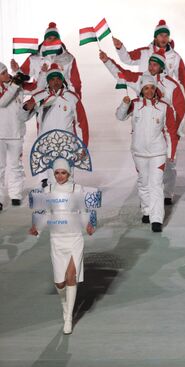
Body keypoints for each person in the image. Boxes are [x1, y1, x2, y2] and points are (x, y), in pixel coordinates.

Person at [28, 130, 100, 335]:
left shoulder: (77, 189)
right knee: (59, 282)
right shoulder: (48, 190)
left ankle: (68, 318)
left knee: (71, 276)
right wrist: (37, 228)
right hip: (57, 238)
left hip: (74, 237)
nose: (60, 176)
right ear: (53, 173)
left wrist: (88, 225)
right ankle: (64, 305)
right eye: (57, 172)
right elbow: (43, 213)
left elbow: (84, 211)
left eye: (64, 173)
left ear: (69, 173)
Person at [100, 49, 185, 205]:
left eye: (155, 65)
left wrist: (175, 132)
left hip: (166, 128)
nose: (151, 67)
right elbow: (122, 74)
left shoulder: (172, 85)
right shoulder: (141, 79)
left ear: (161, 66)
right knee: (148, 171)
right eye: (150, 64)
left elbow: (181, 109)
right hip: (146, 131)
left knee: (169, 163)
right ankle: (150, 199)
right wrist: (107, 61)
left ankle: (167, 193)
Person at [115, 75, 178, 232]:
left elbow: (171, 131)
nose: (149, 91)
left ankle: (156, 219)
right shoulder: (134, 105)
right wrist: (124, 104)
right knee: (143, 182)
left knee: (156, 184)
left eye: (151, 87)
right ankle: (147, 210)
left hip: (158, 152)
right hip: (139, 152)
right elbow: (120, 116)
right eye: (146, 88)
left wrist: (171, 153)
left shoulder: (164, 107)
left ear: (156, 89)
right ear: (142, 90)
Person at [18, 64, 89, 188]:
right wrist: (25, 108)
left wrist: (83, 146)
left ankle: (69, 206)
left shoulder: (71, 97)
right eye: (52, 79)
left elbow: (82, 123)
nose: (55, 82)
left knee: (68, 179)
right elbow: (23, 117)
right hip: (47, 145)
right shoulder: (39, 97)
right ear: (48, 81)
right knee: (51, 180)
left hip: (67, 145)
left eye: (58, 79)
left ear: (62, 80)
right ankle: (52, 206)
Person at [111, 19, 185, 114]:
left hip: (164, 100)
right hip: (144, 98)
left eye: (166, 36)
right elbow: (127, 59)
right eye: (161, 35)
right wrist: (120, 47)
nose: (163, 38)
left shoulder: (175, 57)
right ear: (155, 37)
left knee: (164, 125)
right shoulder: (144, 52)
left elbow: (183, 81)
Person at [11, 22, 82, 97]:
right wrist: (16, 70)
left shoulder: (69, 59)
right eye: (49, 38)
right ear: (45, 39)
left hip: (61, 100)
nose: (52, 41)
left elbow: (75, 84)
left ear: (59, 39)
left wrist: (76, 101)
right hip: (39, 99)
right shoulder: (34, 58)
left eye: (55, 38)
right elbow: (22, 79)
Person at [0, 62, 33, 209]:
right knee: (0, 167)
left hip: (16, 133)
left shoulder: (17, 83)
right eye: (3, 73)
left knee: (15, 166)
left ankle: (16, 195)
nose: (6, 74)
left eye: (6, 71)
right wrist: (15, 84)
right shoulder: (14, 85)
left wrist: (19, 73)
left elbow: (36, 88)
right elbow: (2, 102)